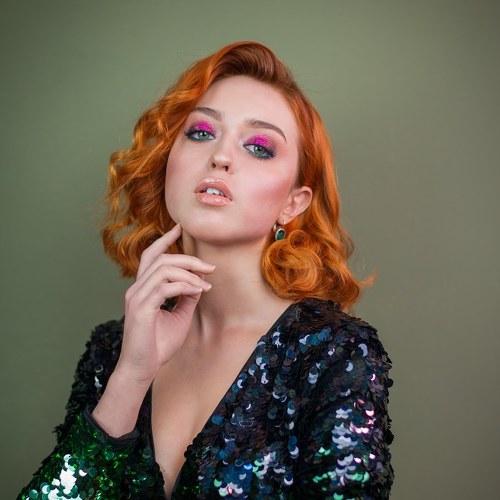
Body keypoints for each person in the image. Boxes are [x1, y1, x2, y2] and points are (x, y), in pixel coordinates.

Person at [17, 40, 394, 499]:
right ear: (168, 164)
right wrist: (131, 377)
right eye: (200, 133)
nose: (220, 156)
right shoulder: (112, 351)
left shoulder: (333, 356)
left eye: (258, 147)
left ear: (293, 204)